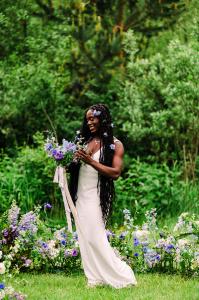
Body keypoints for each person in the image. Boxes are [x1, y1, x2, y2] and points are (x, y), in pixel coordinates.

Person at [69, 103, 137, 288]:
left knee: (96, 236)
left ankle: (123, 275)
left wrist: (90, 161)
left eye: (93, 118)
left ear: (103, 118)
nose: (89, 122)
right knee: (85, 236)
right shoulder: (85, 140)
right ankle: (94, 278)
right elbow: (75, 166)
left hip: (96, 196)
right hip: (80, 195)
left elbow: (115, 172)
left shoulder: (115, 145)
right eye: (87, 119)